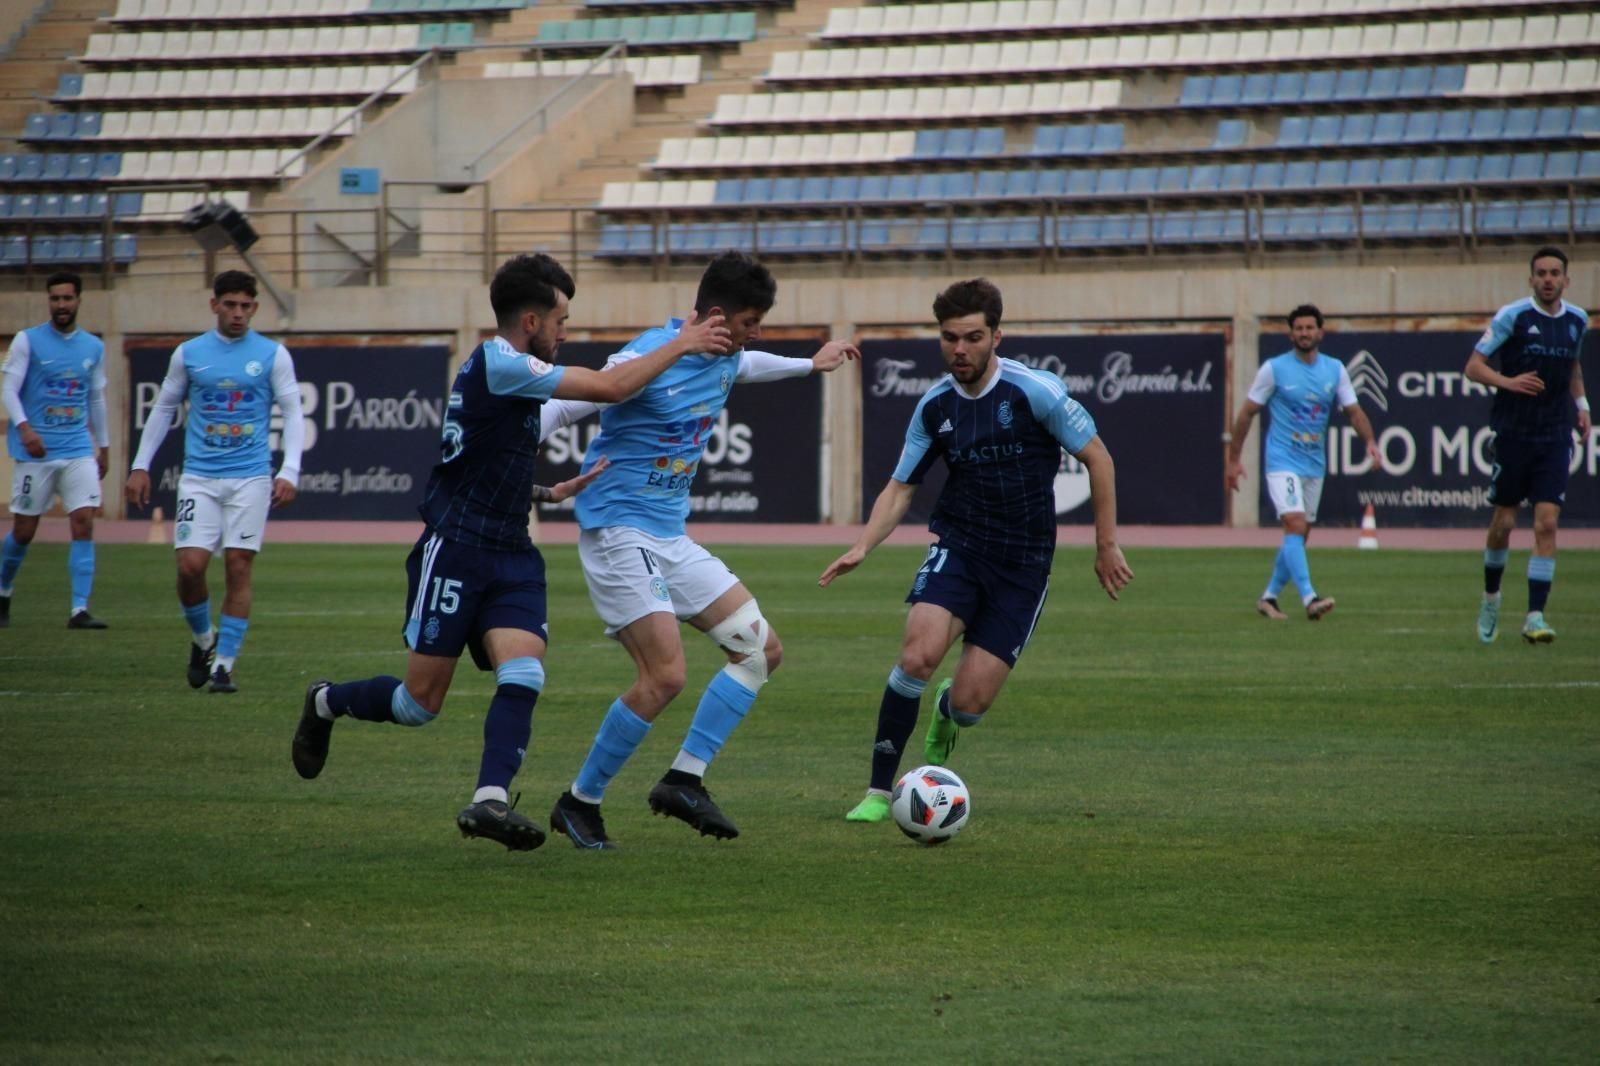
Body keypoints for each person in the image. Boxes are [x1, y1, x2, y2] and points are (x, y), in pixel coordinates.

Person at [289, 253, 732, 854]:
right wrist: (682, 343)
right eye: (561, 320)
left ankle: (489, 800)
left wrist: (546, 491)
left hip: (512, 551)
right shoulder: (502, 362)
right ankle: (325, 701)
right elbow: (610, 386)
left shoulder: (516, 370)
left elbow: (480, 456)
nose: (566, 331)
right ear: (530, 321)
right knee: (419, 705)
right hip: (457, 551)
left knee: (524, 671)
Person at [538, 250, 859, 850]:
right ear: (716, 316)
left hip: (667, 536)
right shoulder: (650, 355)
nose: (754, 333)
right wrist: (499, 455)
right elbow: (565, 404)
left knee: (760, 650)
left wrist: (808, 365)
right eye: (748, 322)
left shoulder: (723, 355)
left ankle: (683, 779)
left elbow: (748, 366)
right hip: (617, 530)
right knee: (665, 676)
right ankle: (579, 802)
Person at [819, 278, 1133, 824]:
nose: (959, 349)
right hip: (961, 548)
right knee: (916, 654)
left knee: (969, 708)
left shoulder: (1034, 392)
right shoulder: (935, 407)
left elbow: (1099, 458)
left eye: (971, 337)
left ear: (996, 337)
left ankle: (946, 710)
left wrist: (1105, 546)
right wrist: (863, 546)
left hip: (1025, 566)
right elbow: (900, 487)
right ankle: (877, 790)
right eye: (949, 338)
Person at [125, 270, 305, 692]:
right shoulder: (189, 354)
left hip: (250, 478)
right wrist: (139, 465)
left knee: (239, 566)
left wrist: (290, 469)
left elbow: (294, 413)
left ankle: (224, 665)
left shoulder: (272, 355)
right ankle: (204, 640)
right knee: (190, 568)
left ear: (255, 309)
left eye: (246, 306)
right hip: (200, 478)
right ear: (214, 305)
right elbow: (163, 408)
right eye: (230, 305)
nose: (238, 313)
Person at [1226, 304, 1382, 622]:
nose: (1304, 333)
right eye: (1298, 328)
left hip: (1314, 463)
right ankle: (1310, 598)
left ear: (1320, 332)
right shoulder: (1275, 369)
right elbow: (1246, 413)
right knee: (1295, 524)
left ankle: (1268, 597)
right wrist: (1233, 460)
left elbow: (1353, 411)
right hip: (1282, 460)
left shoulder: (1335, 369)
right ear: (1291, 333)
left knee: (1299, 534)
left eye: (1310, 328)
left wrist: (1370, 442)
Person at [1465, 246, 1589, 644]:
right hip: (1514, 434)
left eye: (1555, 273)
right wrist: (1509, 382)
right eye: (1542, 273)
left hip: (1554, 434)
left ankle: (1535, 615)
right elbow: (1473, 366)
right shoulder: (1513, 316)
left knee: (1546, 523)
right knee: (1502, 524)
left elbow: (1572, 365)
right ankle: (1491, 596)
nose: (1549, 279)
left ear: (1566, 280)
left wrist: (1582, 404)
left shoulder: (1577, 320)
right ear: (1531, 279)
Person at [0, 271, 110, 629]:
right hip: (36, 451)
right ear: (49, 301)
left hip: (77, 447)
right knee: (24, 531)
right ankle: (2, 590)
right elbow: (9, 390)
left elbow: (95, 397)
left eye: (67, 298)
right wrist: (25, 428)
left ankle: (79, 609)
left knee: (83, 522)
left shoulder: (93, 347)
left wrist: (104, 446)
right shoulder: (27, 341)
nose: (61, 305)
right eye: (55, 299)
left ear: (79, 300)